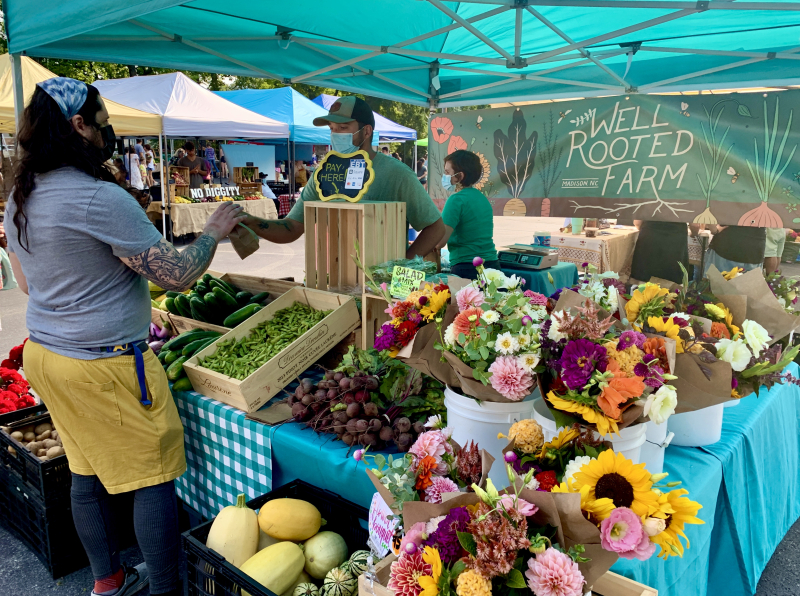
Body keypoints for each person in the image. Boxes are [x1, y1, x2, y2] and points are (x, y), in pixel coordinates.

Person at [4, 77, 246, 596]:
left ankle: (108, 582)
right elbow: (176, 276)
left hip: (48, 356)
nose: (109, 132)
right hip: (106, 367)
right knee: (152, 478)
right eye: (104, 122)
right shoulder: (99, 198)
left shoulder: (22, 194)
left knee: (85, 473)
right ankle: (165, 590)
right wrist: (212, 233)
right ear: (78, 126)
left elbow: (27, 282)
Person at [242, 96, 444, 258]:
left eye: (343, 128)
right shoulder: (324, 174)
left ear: (366, 131)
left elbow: (435, 227)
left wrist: (404, 263)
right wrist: (249, 221)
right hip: (333, 279)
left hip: (379, 291)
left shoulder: (397, 173)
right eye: (332, 129)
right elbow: (292, 227)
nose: (336, 134)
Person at [435, 150, 498, 280]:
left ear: (460, 176)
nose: (445, 176)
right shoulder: (481, 198)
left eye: (447, 172)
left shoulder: (456, 200)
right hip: (493, 266)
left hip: (467, 268)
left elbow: (439, 241)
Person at [630, 220, 695, 284]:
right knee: (674, 277)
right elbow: (695, 225)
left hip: (649, 234)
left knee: (644, 277)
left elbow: (637, 222)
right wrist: (694, 233)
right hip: (676, 237)